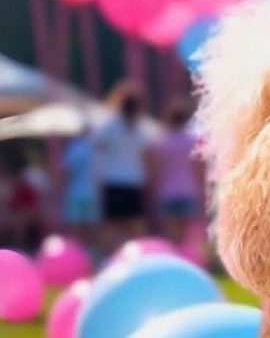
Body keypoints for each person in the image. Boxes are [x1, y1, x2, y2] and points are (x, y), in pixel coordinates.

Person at [93, 82, 153, 252]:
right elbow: (147, 159)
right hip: (133, 182)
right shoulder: (141, 130)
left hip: (113, 181)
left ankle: (110, 258)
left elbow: (98, 151)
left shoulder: (109, 127)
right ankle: (141, 256)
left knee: (111, 226)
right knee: (135, 226)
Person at [149, 100, 206, 246]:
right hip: (188, 191)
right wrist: (202, 193)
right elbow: (199, 169)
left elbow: (155, 171)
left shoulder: (161, 142)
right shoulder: (193, 141)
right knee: (186, 235)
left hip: (166, 192)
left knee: (171, 235)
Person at [61, 123, 101, 247]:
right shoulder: (96, 148)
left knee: (76, 226)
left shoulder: (74, 148)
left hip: (75, 192)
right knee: (92, 226)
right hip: (93, 193)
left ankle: (78, 250)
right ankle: (92, 250)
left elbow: (66, 172)